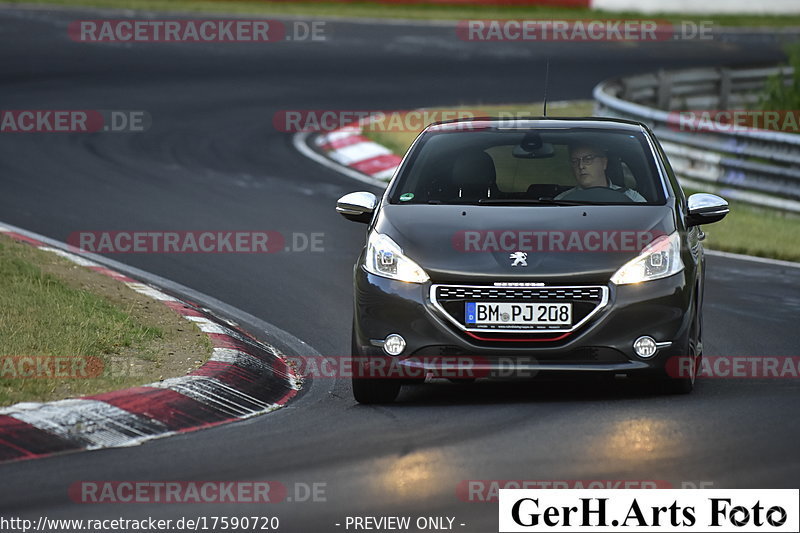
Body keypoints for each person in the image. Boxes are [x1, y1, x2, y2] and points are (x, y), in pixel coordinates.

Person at [555, 143, 646, 202]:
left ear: (604, 163)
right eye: (575, 161)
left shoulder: (632, 199)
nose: (581, 166)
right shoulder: (561, 201)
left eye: (588, 159)